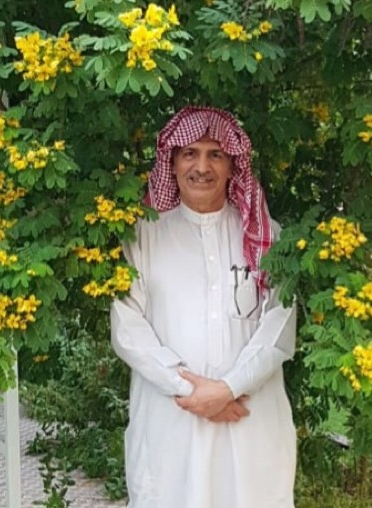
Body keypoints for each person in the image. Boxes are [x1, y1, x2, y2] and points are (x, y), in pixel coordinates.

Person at [110, 106, 297, 508]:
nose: (201, 167)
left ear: (233, 166)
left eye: (216, 155)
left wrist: (228, 389)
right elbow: (128, 329)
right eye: (189, 154)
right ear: (172, 163)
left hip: (250, 421)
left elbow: (279, 327)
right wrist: (193, 392)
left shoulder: (267, 238)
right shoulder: (143, 236)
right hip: (172, 421)